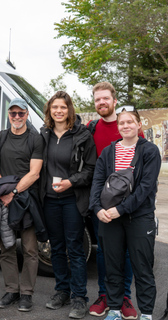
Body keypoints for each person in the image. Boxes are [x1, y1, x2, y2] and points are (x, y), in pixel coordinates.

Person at [89, 107, 160, 320]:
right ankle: (115, 310)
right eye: (122, 123)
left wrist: (121, 209)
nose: (126, 126)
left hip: (139, 216)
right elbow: (97, 182)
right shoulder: (109, 152)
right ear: (118, 127)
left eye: (130, 122)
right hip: (109, 217)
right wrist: (97, 208)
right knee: (112, 266)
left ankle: (146, 313)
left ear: (139, 125)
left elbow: (145, 188)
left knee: (142, 267)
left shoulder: (149, 151)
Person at [40, 91, 96, 319]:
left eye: (63, 107)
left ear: (69, 109)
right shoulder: (43, 134)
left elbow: (91, 169)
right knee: (56, 247)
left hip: (72, 199)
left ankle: (80, 298)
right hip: (50, 200)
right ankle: (61, 291)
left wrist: (71, 182)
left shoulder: (82, 135)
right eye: (55, 108)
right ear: (49, 111)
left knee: (74, 247)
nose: (59, 111)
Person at [88, 82, 139, 319]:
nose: (101, 103)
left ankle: (125, 297)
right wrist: (96, 205)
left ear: (114, 101)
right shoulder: (92, 128)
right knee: (103, 252)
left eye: (105, 99)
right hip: (102, 203)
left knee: (126, 251)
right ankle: (105, 295)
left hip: (129, 204)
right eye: (98, 99)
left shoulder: (127, 127)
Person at [0, 98, 44, 313]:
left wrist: (13, 192)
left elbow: (35, 173)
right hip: (4, 200)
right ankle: (11, 290)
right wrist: (4, 192)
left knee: (30, 250)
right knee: (7, 248)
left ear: (27, 114)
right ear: (9, 115)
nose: (17, 117)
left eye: (20, 113)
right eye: (13, 113)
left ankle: (27, 294)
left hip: (27, 201)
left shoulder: (36, 139)